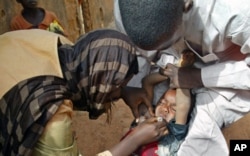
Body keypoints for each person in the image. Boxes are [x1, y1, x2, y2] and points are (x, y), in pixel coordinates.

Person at [0, 29, 165, 156]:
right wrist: (134, 140)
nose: (115, 96)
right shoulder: (53, 116)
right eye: (116, 87)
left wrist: (123, 91)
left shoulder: (56, 45)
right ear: (102, 82)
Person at [115, 0, 250, 155]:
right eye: (163, 103)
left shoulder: (237, 10)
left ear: (186, 4)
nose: (164, 107)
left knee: (204, 136)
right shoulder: (126, 11)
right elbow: (139, 63)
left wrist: (199, 77)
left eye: (167, 41)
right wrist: (138, 92)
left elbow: (183, 105)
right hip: (172, 69)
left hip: (231, 75)